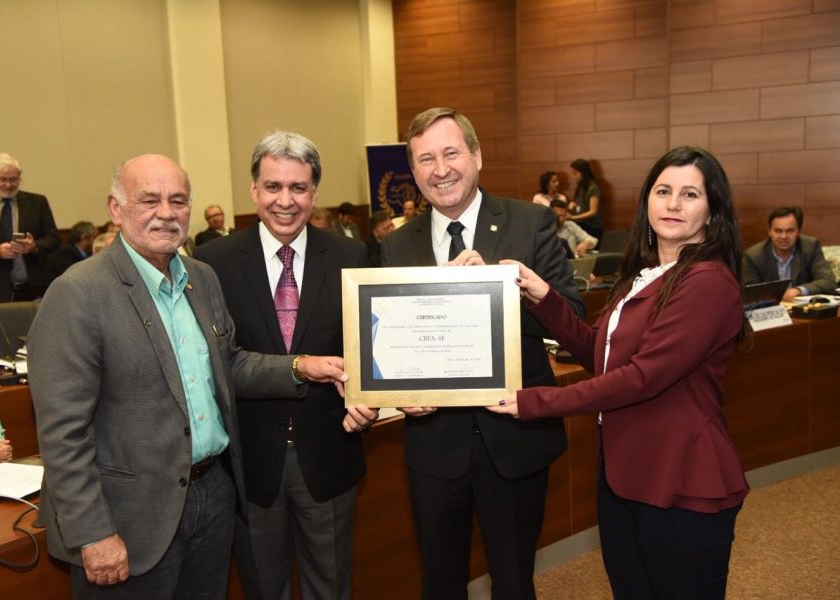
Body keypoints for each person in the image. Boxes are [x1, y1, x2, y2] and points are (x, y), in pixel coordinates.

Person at [28, 153, 352, 599]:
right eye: (150, 200)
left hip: (213, 498)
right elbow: (62, 433)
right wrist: (92, 533)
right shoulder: (77, 293)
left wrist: (299, 367)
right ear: (115, 208)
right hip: (132, 518)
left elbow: (230, 363)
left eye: (178, 201)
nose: (166, 213)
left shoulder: (200, 278)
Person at [490, 146, 750, 599]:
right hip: (625, 477)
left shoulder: (708, 281)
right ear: (647, 200)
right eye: (663, 190)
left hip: (684, 482)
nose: (672, 204)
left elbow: (640, 377)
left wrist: (535, 402)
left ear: (712, 212)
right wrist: (541, 296)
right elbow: (598, 351)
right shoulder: (643, 277)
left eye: (690, 194)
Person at [381, 107, 584, 599]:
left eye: (451, 153)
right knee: (440, 581)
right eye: (425, 159)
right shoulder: (395, 245)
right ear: (414, 173)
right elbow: (384, 340)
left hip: (513, 438)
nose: (440, 169)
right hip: (434, 446)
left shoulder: (529, 222)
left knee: (514, 581)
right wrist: (393, 390)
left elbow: (572, 316)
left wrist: (501, 286)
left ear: (476, 156)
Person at [194, 132, 377, 600]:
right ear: (253, 190)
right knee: (262, 589)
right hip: (248, 462)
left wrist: (368, 401)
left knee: (330, 587)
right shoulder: (212, 263)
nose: (285, 200)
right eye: (273, 186)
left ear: (315, 193)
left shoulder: (350, 256)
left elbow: (368, 349)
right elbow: (215, 364)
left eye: (298, 188)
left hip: (329, 451)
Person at [0, 152, 60, 304]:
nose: (9, 184)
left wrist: (34, 246)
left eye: (14, 179)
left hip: (35, 287)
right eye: (3, 179)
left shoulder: (38, 202)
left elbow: (54, 239)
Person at [743, 206, 836, 301]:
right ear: (769, 231)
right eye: (778, 231)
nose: (784, 236)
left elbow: (828, 281)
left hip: (803, 311)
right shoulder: (753, 256)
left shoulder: (810, 247)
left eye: (790, 231)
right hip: (770, 310)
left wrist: (798, 290)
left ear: (799, 231)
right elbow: (749, 294)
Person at [567, 158, 603, 241]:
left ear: (583, 172)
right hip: (581, 225)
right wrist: (573, 205)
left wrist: (573, 217)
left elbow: (593, 212)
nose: (573, 176)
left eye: (575, 173)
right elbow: (578, 203)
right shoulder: (580, 186)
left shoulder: (593, 187)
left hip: (592, 227)